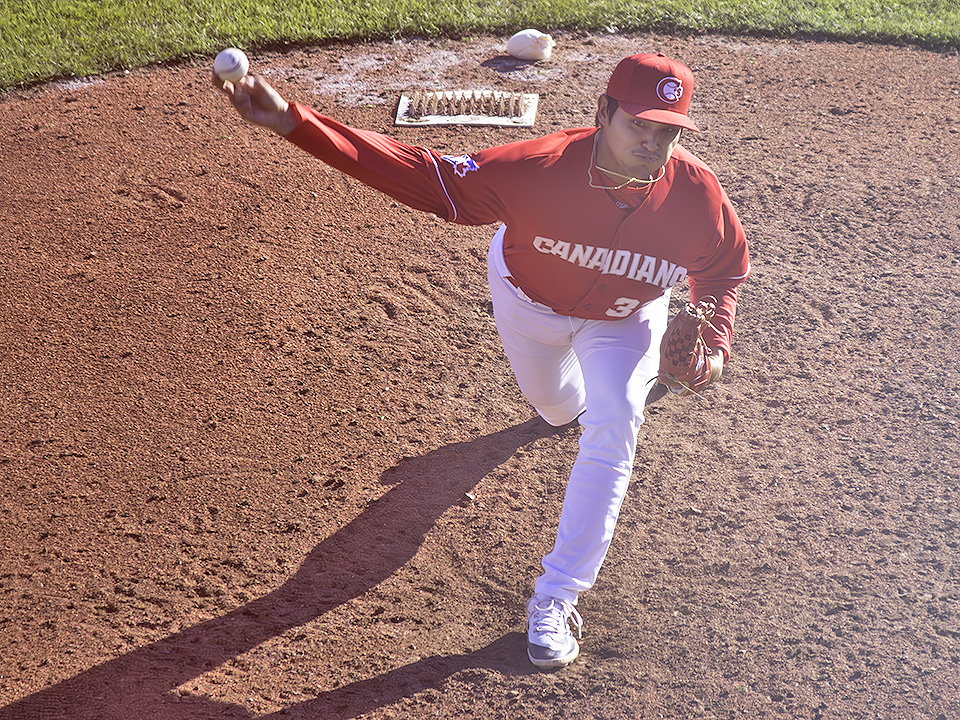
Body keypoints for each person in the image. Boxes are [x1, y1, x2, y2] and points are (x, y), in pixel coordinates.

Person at [213, 51, 750, 670]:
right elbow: (426, 174)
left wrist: (713, 346)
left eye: (669, 131)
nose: (653, 144)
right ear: (604, 113)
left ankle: (558, 595)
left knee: (616, 421)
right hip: (530, 305)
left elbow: (723, 269)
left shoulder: (697, 195)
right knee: (555, 409)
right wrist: (296, 124)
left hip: (624, 321)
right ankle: (585, 398)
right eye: (640, 125)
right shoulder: (537, 168)